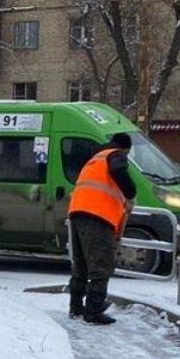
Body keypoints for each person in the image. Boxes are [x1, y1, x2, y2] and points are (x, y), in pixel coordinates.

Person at [67, 133, 137, 325]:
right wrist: (130, 191)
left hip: (77, 212)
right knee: (101, 265)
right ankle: (93, 310)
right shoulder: (115, 154)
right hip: (98, 215)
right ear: (126, 149)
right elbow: (118, 169)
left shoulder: (94, 159)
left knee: (80, 264)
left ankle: (76, 306)